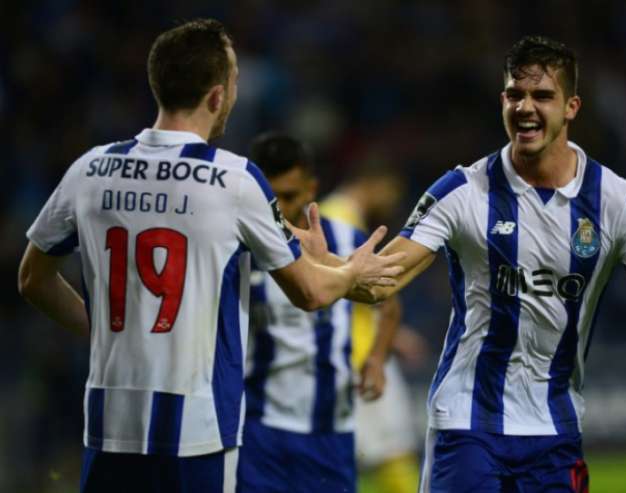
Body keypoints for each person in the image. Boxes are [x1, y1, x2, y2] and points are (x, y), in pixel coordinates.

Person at [299, 35, 626, 493]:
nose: (526, 107)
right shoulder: (461, 192)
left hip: (555, 432)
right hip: (467, 423)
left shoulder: (621, 204)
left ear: (571, 107)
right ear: (502, 100)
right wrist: (321, 263)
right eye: (515, 94)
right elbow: (380, 282)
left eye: (542, 96)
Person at [16, 19, 403, 493]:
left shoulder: (91, 169)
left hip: (108, 423)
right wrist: (352, 272)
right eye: (235, 80)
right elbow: (309, 292)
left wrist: (98, 330)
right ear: (218, 96)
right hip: (197, 431)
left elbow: (32, 278)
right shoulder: (234, 180)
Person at [236, 132, 400, 492]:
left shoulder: (346, 240)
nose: (279, 207)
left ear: (311, 188)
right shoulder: (238, 248)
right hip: (257, 427)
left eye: (290, 195)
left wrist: (376, 359)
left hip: (329, 427)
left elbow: (388, 302)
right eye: (270, 196)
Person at [320, 166, 423, 492]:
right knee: (393, 450)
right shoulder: (340, 217)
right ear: (372, 182)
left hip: (348, 349)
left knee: (355, 452)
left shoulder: (335, 213)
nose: (392, 203)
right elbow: (352, 284)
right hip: (362, 352)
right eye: (390, 191)